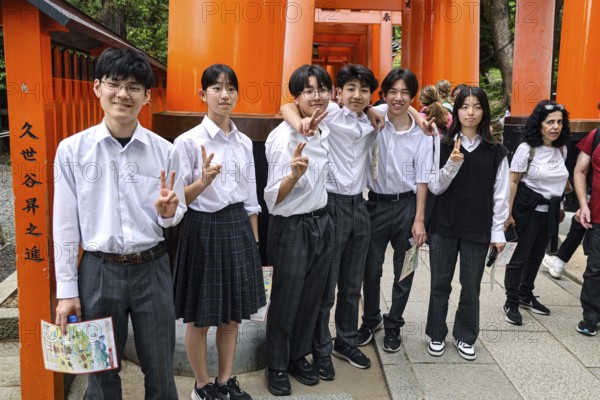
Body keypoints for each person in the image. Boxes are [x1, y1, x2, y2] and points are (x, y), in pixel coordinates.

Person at [53, 47, 186, 399]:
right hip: (98, 272)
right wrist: (67, 290)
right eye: (114, 84)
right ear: (97, 87)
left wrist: (168, 211)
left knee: (160, 369)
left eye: (133, 87)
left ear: (147, 96)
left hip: (152, 268)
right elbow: (65, 223)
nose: (123, 94)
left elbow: (175, 216)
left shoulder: (165, 151)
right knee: (100, 374)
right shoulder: (72, 151)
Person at [172, 64, 265, 400]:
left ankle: (225, 381)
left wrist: (254, 243)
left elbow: (251, 195)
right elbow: (177, 200)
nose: (224, 95)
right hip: (201, 228)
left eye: (230, 88)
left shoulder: (243, 142)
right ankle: (201, 385)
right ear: (203, 95)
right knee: (199, 317)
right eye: (216, 88)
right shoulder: (186, 142)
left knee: (232, 315)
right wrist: (204, 181)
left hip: (237, 226)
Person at [280, 64, 378, 379]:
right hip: (331, 205)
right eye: (350, 88)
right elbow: (285, 105)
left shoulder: (372, 119)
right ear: (338, 92)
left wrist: (377, 110)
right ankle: (320, 349)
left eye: (364, 90)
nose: (357, 95)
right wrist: (301, 124)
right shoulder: (329, 114)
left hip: (359, 206)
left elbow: (405, 110)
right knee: (327, 287)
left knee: (352, 284)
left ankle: (345, 341)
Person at [264, 64, 334, 396]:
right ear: (298, 97)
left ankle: (296, 356)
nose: (317, 95)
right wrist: (292, 176)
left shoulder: (324, 128)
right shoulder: (283, 137)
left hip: (321, 221)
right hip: (291, 227)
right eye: (309, 90)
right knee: (286, 299)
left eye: (322, 88)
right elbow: (272, 200)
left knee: (311, 298)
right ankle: (276, 363)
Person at [425, 86, 509, 361]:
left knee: (470, 286)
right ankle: (436, 333)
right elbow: (434, 188)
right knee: (440, 283)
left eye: (476, 106)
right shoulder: (442, 143)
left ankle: (465, 335)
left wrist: (498, 233)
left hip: (477, 227)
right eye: (464, 107)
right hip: (444, 225)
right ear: (456, 110)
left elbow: (500, 195)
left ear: (484, 111)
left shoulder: (496, 151)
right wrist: (452, 164)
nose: (470, 113)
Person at [357, 68, 432, 354]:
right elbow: (356, 103)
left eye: (405, 93)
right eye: (393, 92)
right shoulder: (374, 116)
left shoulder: (423, 133)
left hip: (407, 206)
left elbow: (423, 177)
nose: (398, 98)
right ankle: (371, 319)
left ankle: (394, 325)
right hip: (375, 203)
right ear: (384, 94)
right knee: (370, 268)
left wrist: (419, 219)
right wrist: (417, 113)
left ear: (413, 96)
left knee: (406, 269)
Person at [502, 100, 571, 326]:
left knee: (537, 256)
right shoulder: (526, 149)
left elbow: (561, 183)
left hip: (549, 213)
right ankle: (511, 301)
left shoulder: (562, 149)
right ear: (539, 124)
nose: (555, 127)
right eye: (550, 122)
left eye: (559, 122)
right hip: (527, 212)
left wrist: (560, 208)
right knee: (519, 257)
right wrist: (507, 214)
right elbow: (513, 182)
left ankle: (525, 294)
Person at [573, 104, 600, 336]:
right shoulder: (596, 135)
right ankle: (590, 317)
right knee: (595, 269)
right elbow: (580, 170)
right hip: (598, 216)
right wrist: (583, 205)